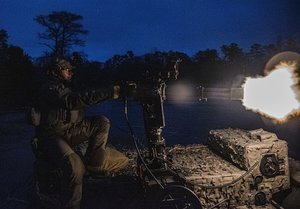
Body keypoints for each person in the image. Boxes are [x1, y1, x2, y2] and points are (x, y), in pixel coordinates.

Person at [35, 59, 129, 209]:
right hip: (52, 135)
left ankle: (93, 166)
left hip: (68, 131)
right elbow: (73, 101)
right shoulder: (49, 87)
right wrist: (112, 92)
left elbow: (80, 99)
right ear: (55, 72)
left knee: (101, 122)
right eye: (67, 70)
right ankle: (72, 205)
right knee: (74, 165)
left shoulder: (63, 86)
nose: (71, 73)